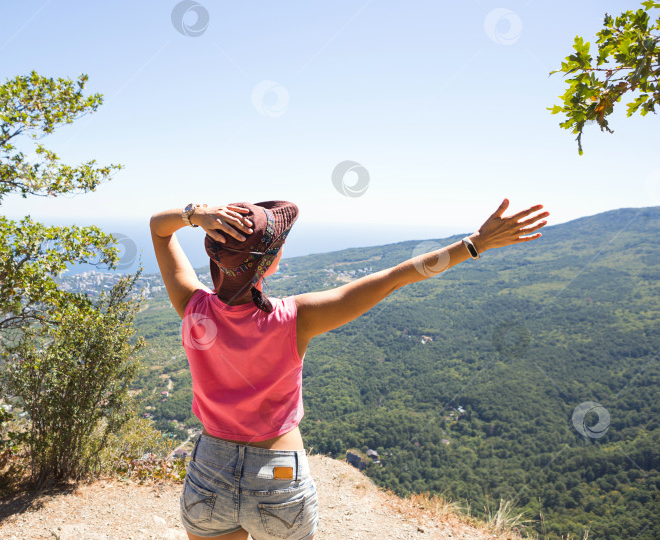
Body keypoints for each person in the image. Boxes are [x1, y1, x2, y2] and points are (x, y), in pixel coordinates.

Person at [150, 198, 549, 540]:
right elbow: (396, 277)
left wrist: (195, 214)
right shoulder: (294, 318)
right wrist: (475, 243)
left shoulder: (192, 307)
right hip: (278, 471)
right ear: (268, 265)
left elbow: (158, 229)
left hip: (210, 467)